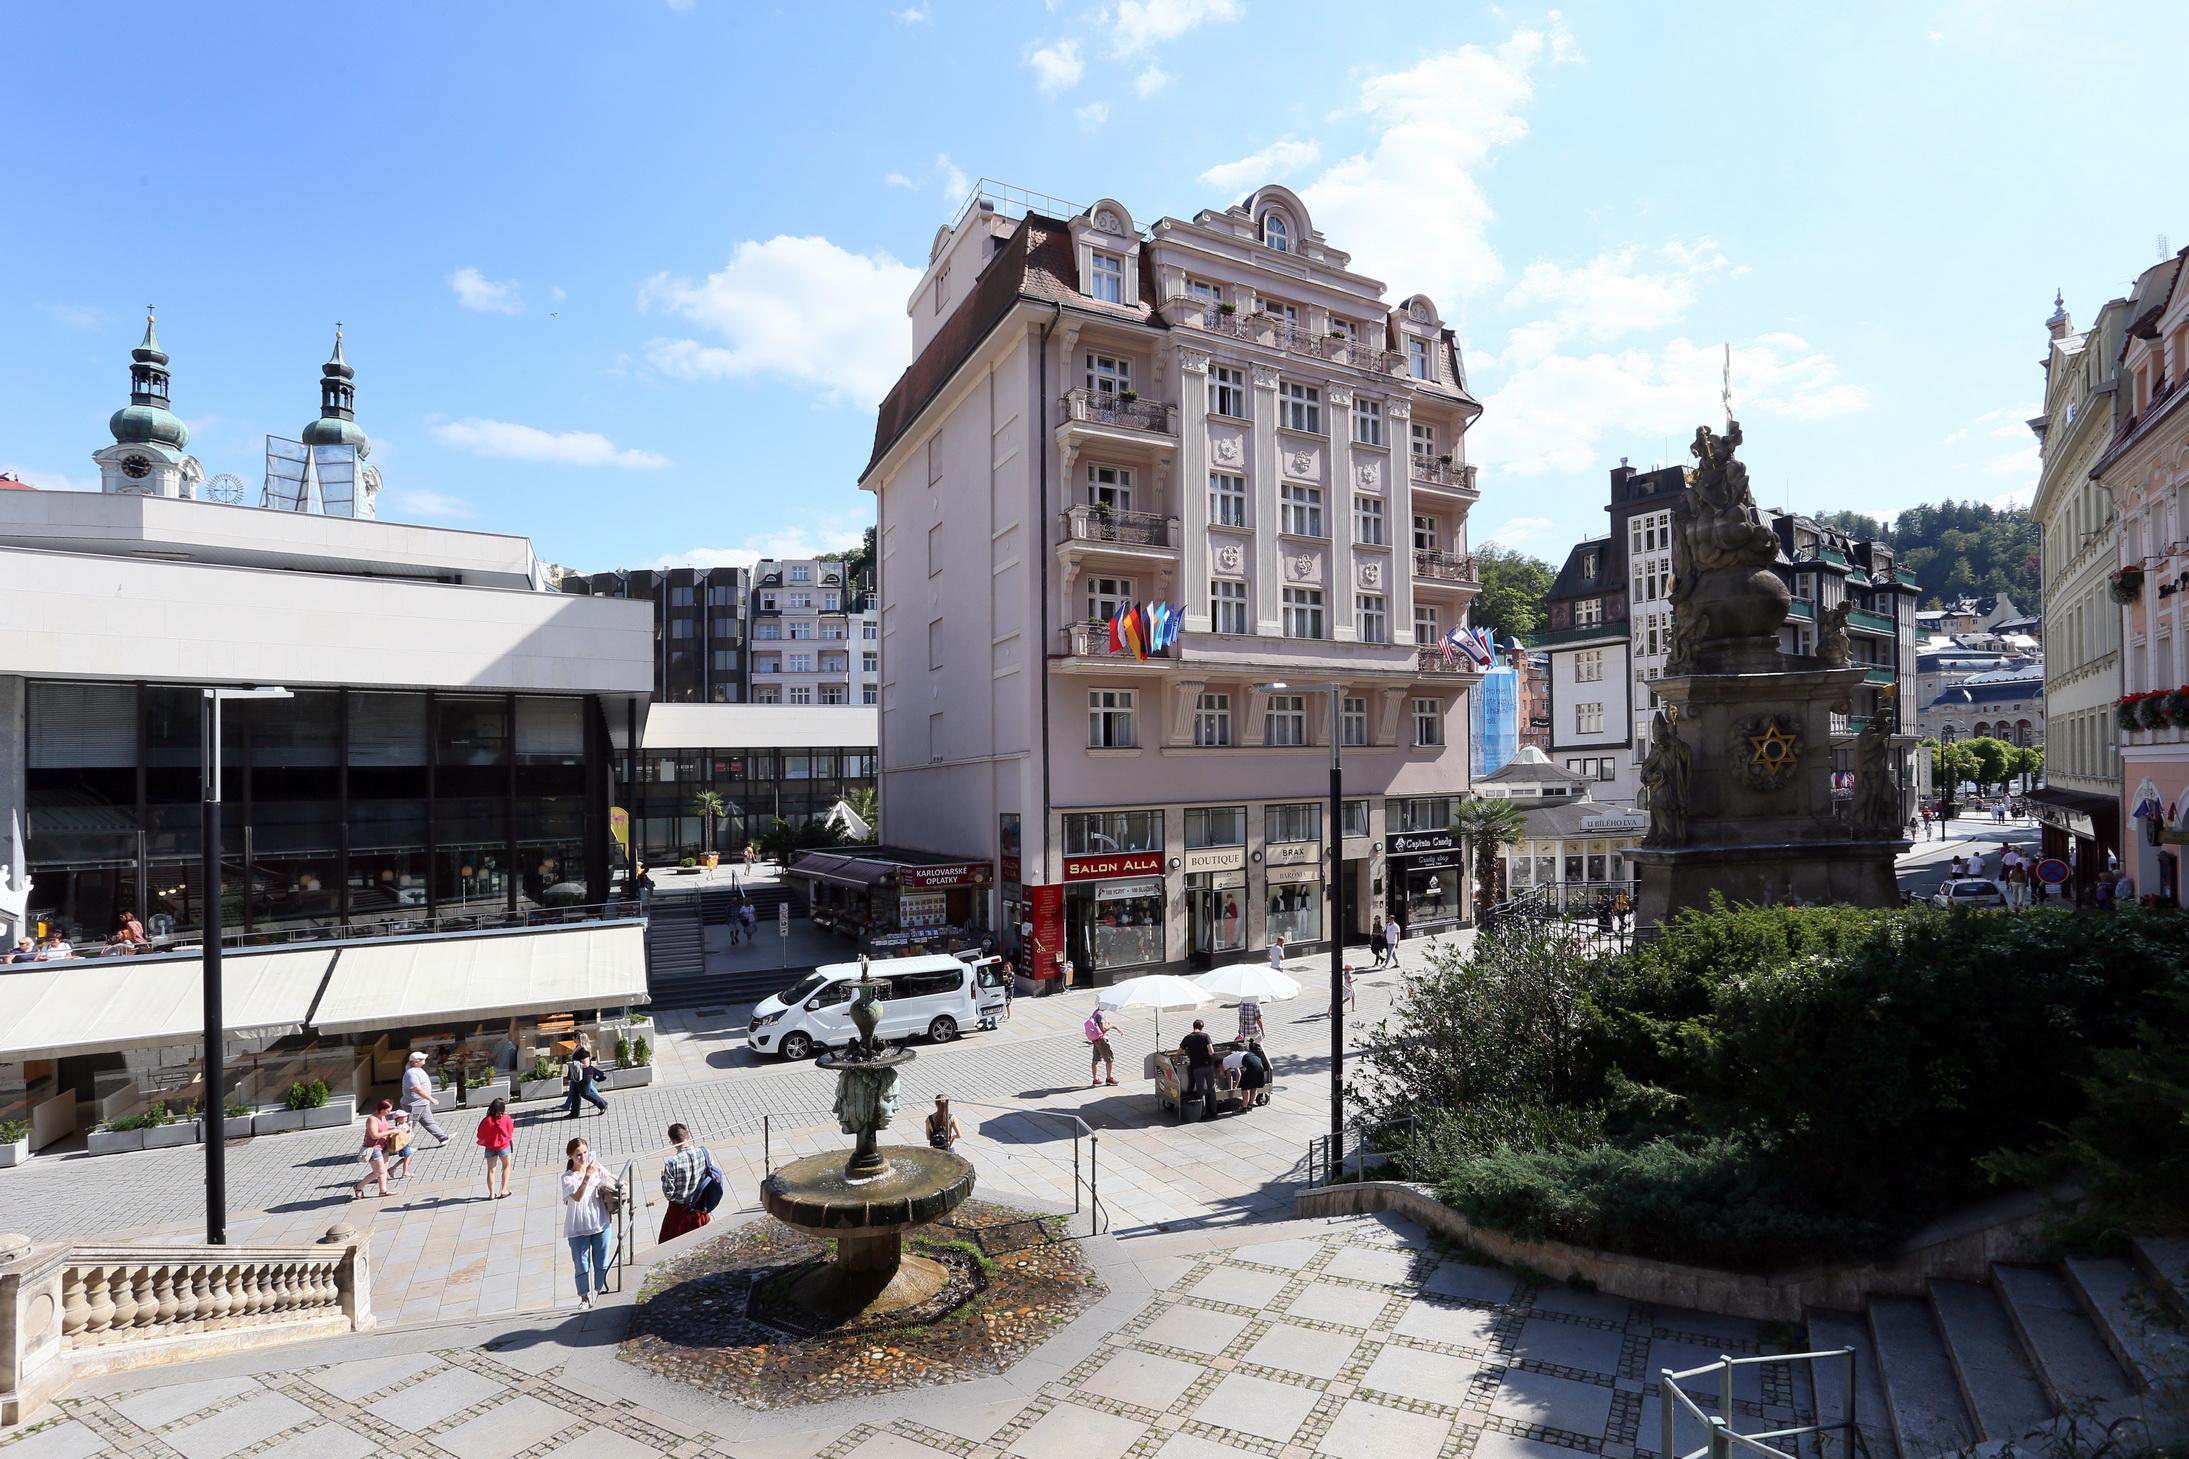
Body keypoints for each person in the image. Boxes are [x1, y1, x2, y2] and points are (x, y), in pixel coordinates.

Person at [561, 1136, 621, 1311]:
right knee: (581, 1264)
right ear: (571, 1156)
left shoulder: (596, 1166)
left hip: (600, 1221)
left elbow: (611, 1181)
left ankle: (601, 1292)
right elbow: (577, 1197)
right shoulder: (567, 1177)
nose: (583, 1157)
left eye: (585, 1153)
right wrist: (587, 1176)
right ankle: (584, 1297)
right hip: (578, 1227)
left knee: (601, 1261)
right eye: (578, 1154)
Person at [658, 1122, 714, 1241]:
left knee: (669, 1242)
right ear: (687, 1136)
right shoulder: (704, 1153)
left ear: (673, 1141)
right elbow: (711, 1174)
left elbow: (668, 1194)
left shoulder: (672, 1163)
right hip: (698, 1206)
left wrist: (664, 1178)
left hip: (679, 1211)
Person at [400, 1051, 450, 1147]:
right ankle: (403, 1147)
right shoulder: (411, 1073)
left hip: (421, 1103)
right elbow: (417, 1089)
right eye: (422, 1059)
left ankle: (443, 1137)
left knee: (428, 1122)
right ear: (415, 1062)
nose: (425, 1060)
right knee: (409, 1126)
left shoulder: (416, 1069)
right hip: (415, 1105)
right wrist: (431, 1099)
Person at [352, 1100, 396, 1198]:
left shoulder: (383, 1117)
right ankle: (358, 1187)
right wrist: (390, 1132)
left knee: (383, 1170)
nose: (389, 1113)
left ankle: (383, 1191)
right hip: (373, 1148)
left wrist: (394, 1129)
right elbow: (374, 1135)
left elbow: (385, 1129)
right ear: (381, 1109)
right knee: (379, 1171)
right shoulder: (372, 1119)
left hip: (383, 1146)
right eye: (388, 1111)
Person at [476, 1097, 515, 1200]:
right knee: (506, 1166)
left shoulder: (486, 1120)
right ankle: (504, 1190)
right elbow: (510, 1131)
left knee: (491, 1170)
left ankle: (492, 1194)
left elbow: (480, 1134)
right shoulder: (506, 1118)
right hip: (504, 1146)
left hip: (490, 1147)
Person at [1180, 1018, 1217, 1119]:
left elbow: (1180, 1051)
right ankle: (1214, 1112)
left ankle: (1203, 1113)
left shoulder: (1188, 1037)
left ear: (1193, 1026)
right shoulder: (1206, 1036)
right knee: (1212, 1089)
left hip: (1197, 1068)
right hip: (1208, 1066)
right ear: (1202, 1027)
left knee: (1201, 1091)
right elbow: (1211, 1052)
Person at [564, 1047, 610, 1117]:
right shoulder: (577, 1048)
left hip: (585, 1074)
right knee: (575, 1092)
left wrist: (574, 1064)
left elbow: (586, 1064)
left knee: (585, 1093)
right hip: (577, 1074)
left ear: (580, 1040)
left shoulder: (583, 1050)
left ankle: (602, 1104)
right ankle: (574, 1113)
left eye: (576, 1037)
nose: (574, 1038)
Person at [1085, 1008, 1118, 1088]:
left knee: (1095, 1060)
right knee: (1109, 1060)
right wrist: (1111, 1026)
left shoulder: (1095, 1012)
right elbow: (1103, 1029)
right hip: (1102, 1040)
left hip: (1095, 1040)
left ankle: (1095, 1079)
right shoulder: (1101, 1014)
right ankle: (1109, 1078)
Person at [1238, 1039, 1271, 1107]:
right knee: (1254, 1087)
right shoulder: (1253, 1054)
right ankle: (1250, 1104)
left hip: (1253, 1070)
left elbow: (1238, 1069)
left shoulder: (1241, 1056)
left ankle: (1244, 1107)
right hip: (1260, 1069)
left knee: (1245, 1087)